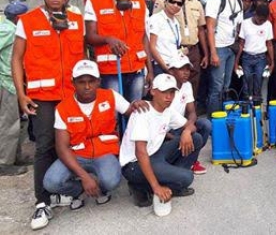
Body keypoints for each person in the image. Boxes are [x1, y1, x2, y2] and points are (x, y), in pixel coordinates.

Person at [11, 0, 86, 230]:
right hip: (42, 98)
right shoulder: (27, 21)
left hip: (70, 96)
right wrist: (21, 94)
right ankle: (42, 202)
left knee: (69, 143)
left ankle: (63, 191)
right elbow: (16, 59)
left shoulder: (77, 20)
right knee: (44, 146)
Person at [43, 60, 148, 215]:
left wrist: (137, 104)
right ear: (73, 83)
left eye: (91, 81)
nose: (87, 86)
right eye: (82, 82)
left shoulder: (110, 96)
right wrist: (84, 177)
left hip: (104, 153)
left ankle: (100, 188)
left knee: (111, 181)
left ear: (99, 81)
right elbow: (62, 148)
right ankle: (79, 190)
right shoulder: (63, 108)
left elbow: (131, 111)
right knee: (50, 182)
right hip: (76, 155)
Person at [120, 73, 201, 213]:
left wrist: (186, 132)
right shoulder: (142, 113)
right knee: (187, 178)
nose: (169, 97)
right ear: (153, 91)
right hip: (134, 164)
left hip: (155, 154)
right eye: (164, 92)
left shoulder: (168, 111)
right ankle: (141, 186)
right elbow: (140, 152)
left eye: (171, 92)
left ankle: (170, 180)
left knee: (196, 138)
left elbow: (191, 125)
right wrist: (156, 186)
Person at [84, 0, 153, 107]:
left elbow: (144, 38)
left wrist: (150, 70)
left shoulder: (139, 1)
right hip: (111, 71)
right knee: (113, 114)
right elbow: (89, 36)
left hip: (136, 70)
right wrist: (108, 39)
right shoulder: (94, 1)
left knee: (136, 113)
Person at [154, 0, 209, 98]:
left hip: (193, 50)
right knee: (171, 86)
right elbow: (155, 28)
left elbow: (201, 29)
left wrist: (205, 54)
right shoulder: (163, 2)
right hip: (174, 51)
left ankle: (190, 114)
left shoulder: (196, 3)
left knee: (193, 85)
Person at [205, 0, 244, 116]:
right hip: (219, 47)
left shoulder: (239, 1)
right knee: (216, 86)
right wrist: (213, 52)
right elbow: (209, 27)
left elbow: (239, 26)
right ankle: (212, 120)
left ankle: (223, 116)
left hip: (231, 48)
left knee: (226, 86)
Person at [167, 55, 212, 175]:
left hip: (181, 125)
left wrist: (188, 128)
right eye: (182, 69)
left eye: (188, 69)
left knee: (205, 124)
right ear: (171, 70)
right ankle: (178, 163)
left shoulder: (187, 85)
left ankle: (192, 160)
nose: (186, 72)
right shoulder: (164, 87)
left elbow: (192, 112)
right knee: (195, 136)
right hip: (167, 131)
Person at [0, 2, 29, 176]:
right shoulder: (8, 31)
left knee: (20, 122)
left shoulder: (8, 27)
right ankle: (4, 163)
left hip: (14, 82)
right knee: (9, 123)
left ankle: (15, 156)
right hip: (8, 82)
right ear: (19, 18)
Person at [234, 5, 274, 101]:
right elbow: (241, 44)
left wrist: (272, 62)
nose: (261, 22)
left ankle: (257, 106)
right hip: (246, 57)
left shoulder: (268, 25)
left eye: (263, 20)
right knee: (246, 81)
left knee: (258, 82)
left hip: (261, 58)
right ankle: (247, 105)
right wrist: (236, 62)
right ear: (255, 14)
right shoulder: (245, 23)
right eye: (260, 20)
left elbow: (269, 44)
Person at [149, 0, 185, 76]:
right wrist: (165, 67)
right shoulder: (156, 19)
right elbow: (152, 46)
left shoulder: (175, 21)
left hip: (175, 65)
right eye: (172, 2)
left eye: (179, 3)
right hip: (161, 66)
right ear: (165, 2)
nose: (175, 5)